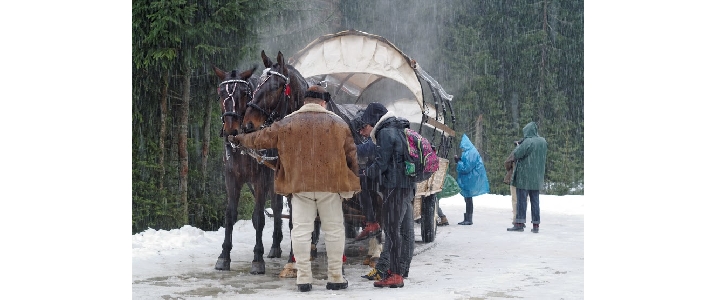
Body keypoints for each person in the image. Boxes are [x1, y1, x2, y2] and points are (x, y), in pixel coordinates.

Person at [230, 85, 361, 292]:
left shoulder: (287, 123)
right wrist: (353, 180)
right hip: (331, 186)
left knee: (300, 231)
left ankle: (303, 278)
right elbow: (352, 156)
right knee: (334, 230)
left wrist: (239, 139)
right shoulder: (339, 123)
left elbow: (260, 138)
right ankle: (335, 277)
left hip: (300, 187)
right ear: (323, 103)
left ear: (305, 102)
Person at [361, 102, 414, 288]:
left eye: (366, 123)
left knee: (392, 232)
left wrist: (365, 174)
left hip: (394, 186)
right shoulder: (397, 127)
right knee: (397, 231)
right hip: (404, 185)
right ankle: (395, 271)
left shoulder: (385, 132)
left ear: (374, 120)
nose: (363, 128)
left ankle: (396, 275)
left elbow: (382, 164)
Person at [507, 121, 548, 233]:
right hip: (537, 178)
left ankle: (519, 223)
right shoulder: (543, 141)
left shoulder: (528, 141)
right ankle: (536, 225)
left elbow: (517, 154)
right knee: (535, 202)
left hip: (524, 178)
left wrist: (518, 145)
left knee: (521, 201)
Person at [353, 120, 382, 241]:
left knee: (361, 181)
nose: (361, 132)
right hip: (379, 171)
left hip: (382, 175)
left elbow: (366, 149)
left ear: (372, 125)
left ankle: (371, 221)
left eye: (363, 128)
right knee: (360, 176)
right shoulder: (377, 133)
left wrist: (348, 146)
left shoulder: (378, 135)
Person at [454, 134, 490, 225]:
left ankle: (468, 219)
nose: (462, 148)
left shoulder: (471, 153)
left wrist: (458, 162)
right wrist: (460, 159)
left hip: (470, 178)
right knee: (468, 198)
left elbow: (466, 167)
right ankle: (468, 218)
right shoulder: (470, 151)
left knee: (468, 198)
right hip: (471, 178)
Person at [503, 138, 524, 228]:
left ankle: (516, 219)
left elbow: (507, 162)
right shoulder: (527, 153)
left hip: (515, 179)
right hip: (524, 180)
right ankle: (522, 219)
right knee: (523, 200)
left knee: (515, 200)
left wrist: (510, 169)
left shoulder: (516, 152)